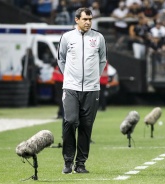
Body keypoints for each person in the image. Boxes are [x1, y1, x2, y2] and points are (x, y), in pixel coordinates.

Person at [57, 7, 107, 174]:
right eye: (85, 19)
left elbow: (102, 60)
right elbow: (61, 59)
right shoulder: (66, 37)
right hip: (71, 87)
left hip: (92, 89)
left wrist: (95, 78)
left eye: (90, 19)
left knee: (86, 126)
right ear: (76, 20)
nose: (88, 22)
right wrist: (68, 77)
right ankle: (67, 161)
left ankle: (80, 164)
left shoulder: (99, 37)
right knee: (70, 121)